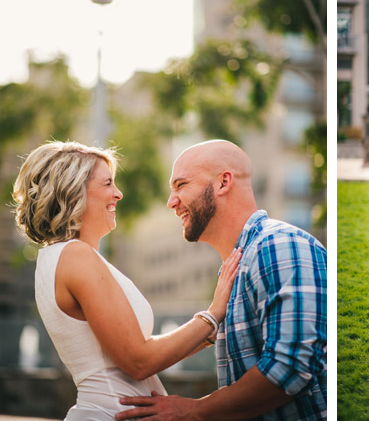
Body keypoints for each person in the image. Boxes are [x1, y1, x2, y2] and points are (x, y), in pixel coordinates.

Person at [11, 141, 242, 420]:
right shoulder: (75, 256)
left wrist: (209, 331)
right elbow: (138, 361)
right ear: (74, 190)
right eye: (108, 183)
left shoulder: (56, 258)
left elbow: (127, 353)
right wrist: (213, 313)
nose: (118, 194)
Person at [116, 140, 327, 421]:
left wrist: (193, 410)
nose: (171, 201)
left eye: (181, 185)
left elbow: (289, 367)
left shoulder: (279, 246)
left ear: (223, 182)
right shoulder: (239, 265)